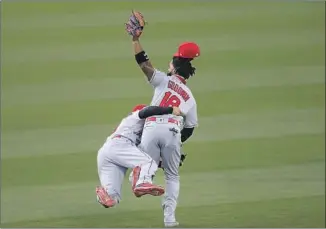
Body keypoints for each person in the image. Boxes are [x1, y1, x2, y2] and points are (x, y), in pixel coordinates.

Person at [125, 11, 200, 227]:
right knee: (172, 176)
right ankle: (170, 220)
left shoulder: (162, 81)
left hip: (151, 128)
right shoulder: (191, 99)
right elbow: (191, 128)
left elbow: (143, 62)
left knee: (135, 177)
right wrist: (178, 143)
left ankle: (144, 181)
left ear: (175, 65)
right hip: (173, 132)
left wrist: (135, 39)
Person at [96, 105, 182, 208]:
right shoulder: (134, 117)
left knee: (112, 198)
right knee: (147, 163)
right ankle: (142, 182)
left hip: (106, 154)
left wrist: (168, 160)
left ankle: (102, 195)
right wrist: (170, 109)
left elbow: (144, 155)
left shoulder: (139, 132)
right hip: (120, 144)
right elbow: (148, 111)